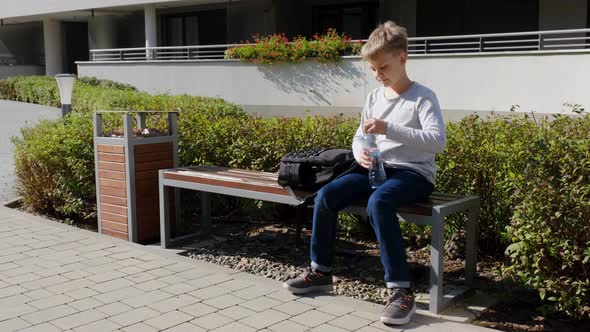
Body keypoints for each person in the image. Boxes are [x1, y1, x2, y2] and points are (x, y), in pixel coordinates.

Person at [283, 21, 446, 325]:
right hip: (375, 170)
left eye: (383, 67)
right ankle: (320, 271)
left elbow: (438, 142)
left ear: (402, 57)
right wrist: (360, 151)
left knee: (379, 203)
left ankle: (401, 290)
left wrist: (390, 129)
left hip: (413, 175)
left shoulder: (423, 97)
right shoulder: (374, 97)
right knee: (327, 195)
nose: (378, 75)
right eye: (373, 70)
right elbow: (360, 135)